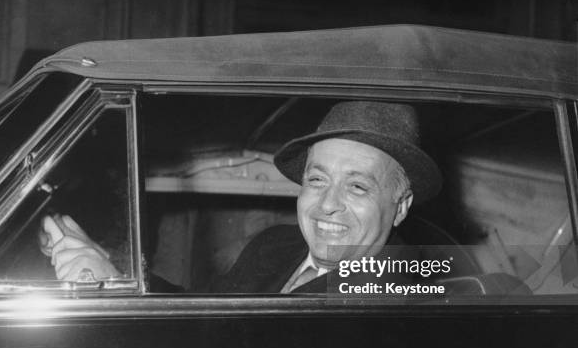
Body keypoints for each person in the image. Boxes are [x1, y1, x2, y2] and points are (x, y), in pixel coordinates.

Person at [39, 101, 442, 291]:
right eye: (317, 181)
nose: (328, 204)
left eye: (357, 186)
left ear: (400, 206)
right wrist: (115, 277)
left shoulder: (398, 291)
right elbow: (204, 318)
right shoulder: (276, 245)